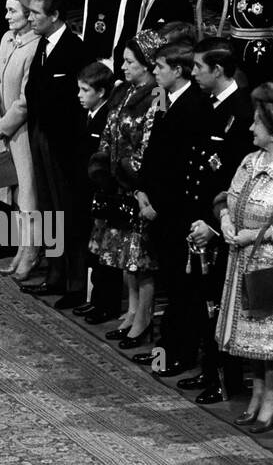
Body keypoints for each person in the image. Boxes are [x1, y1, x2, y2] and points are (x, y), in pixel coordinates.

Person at [213, 83, 273, 429]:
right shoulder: (250, 159)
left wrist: (255, 234)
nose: (251, 127)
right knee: (248, 341)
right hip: (241, 259)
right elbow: (226, 196)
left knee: (268, 345)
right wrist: (225, 220)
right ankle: (256, 395)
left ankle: (272, 399)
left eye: (257, 122)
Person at [133, 42, 214, 376]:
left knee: (183, 290)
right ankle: (163, 353)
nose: (154, 71)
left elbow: (180, 167)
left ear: (178, 70)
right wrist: (141, 190)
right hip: (157, 205)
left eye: (160, 66)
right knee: (170, 284)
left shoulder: (193, 106)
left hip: (175, 212)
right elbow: (154, 154)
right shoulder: (169, 101)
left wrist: (157, 205)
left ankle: (178, 355)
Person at [184, 37, 257, 400]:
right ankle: (208, 369)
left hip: (224, 224)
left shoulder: (242, 113)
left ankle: (225, 379)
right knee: (203, 300)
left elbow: (237, 180)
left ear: (218, 70)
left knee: (220, 303)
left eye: (199, 67)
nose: (193, 72)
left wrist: (214, 226)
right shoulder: (207, 104)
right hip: (202, 217)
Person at [89, 31, 164, 348]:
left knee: (140, 258)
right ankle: (131, 310)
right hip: (116, 186)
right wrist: (103, 168)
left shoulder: (157, 94)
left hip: (137, 188)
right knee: (122, 255)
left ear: (147, 65)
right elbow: (108, 131)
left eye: (130, 62)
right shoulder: (122, 91)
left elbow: (150, 143)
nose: (122, 67)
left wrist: (133, 181)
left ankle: (144, 317)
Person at [20, 0, 90, 308]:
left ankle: (75, 284)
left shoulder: (75, 50)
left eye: (35, 13)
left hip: (65, 144)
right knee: (49, 208)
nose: (29, 18)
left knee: (69, 211)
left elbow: (79, 104)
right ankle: (55, 273)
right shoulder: (44, 44)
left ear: (55, 15)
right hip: (42, 135)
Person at [0, 0, 43, 282]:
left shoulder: (36, 46)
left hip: (21, 132)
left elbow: (25, 100)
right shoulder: (8, 38)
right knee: (14, 193)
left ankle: (32, 249)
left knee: (28, 193)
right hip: (2, 128)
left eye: (12, 11)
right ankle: (22, 247)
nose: (7, 16)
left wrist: (3, 125)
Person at [75, 61, 124, 323]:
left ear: (102, 92)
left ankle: (107, 304)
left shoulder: (106, 117)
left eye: (85, 90)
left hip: (102, 194)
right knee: (94, 250)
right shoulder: (91, 113)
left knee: (105, 253)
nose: (79, 96)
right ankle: (95, 300)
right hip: (89, 192)